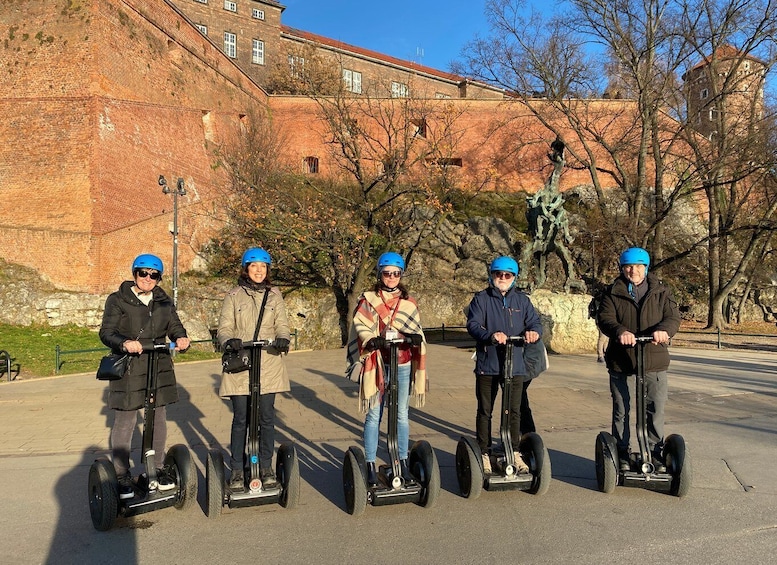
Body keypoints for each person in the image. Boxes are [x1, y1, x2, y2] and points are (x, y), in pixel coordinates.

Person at [99, 253, 190, 500]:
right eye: (143, 273)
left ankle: (157, 469)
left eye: (154, 275)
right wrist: (125, 342)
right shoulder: (118, 299)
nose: (148, 278)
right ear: (135, 273)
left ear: (159, 278)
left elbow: (175, 326)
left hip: (157, 363)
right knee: (126, 420)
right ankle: (121, 474)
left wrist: (181, 338)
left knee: (158, 417)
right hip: (129, 365)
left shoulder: (163, 300)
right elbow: (107, 332)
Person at [346, 252, 427, 486]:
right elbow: (361, 325)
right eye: (387, 273)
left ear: (400, 275)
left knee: (401, 413)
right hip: (378, 363)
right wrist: (372, 339)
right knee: (374, 414)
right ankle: (370, 463)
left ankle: (401, 460)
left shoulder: (408, 302)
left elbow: (417, 329)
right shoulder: (369, 300)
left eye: (396, 273)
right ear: (380, 274)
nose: (391, 277)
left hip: (401, 362)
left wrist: (414, 338)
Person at [596, 247, 680, 472]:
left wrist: (664, 331)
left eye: (638, 266)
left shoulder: (661, 291)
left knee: (655, 406)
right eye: (628, 267)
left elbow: (673, 317)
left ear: (646, 267)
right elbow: (605, 318)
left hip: (654, 357)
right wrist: (620, 331)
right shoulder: (612, 291)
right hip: (621, 358)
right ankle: (622, 453)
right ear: (622, 268)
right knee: (621, 408)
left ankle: (654, 452)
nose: (633, 270)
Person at [217, 247, 291, 490]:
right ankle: (237, 469)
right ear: (246, 268)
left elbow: (282, 324)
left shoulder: (274, 296)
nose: (258, 270)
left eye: (263, 266)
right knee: (241, 418)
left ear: (267, 269)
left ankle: (266, 466)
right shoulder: (234, 295)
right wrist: (229, 341)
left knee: (267, 418)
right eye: (254, 266)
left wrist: (283, 339)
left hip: (268, 362)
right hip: (241, 362)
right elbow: (225, 327)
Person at [466, 256, 543, 474]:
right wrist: (490, 335)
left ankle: (514, 450)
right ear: (492, 276)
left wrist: (534, 332)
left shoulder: (522, 301)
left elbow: (535, 322)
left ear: (514, 278)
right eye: (498, 274)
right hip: (488, 363)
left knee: (514, 411)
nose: (502, 278)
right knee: (485, 410)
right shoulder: (481, 299)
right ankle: (483, 452)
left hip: (515, 364)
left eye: (507, 275)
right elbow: (473, 324)